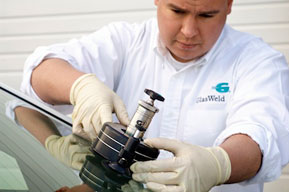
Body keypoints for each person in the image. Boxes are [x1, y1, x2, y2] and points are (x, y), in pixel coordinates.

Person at [20, 0, 289, 191]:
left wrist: (219, 165)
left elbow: (260, 136)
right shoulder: (125, 41)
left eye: (207, 15)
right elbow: (39, 74)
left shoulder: (257, 61)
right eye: (178, 10)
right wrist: (81, 86)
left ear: (229, 5)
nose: (189, 31)